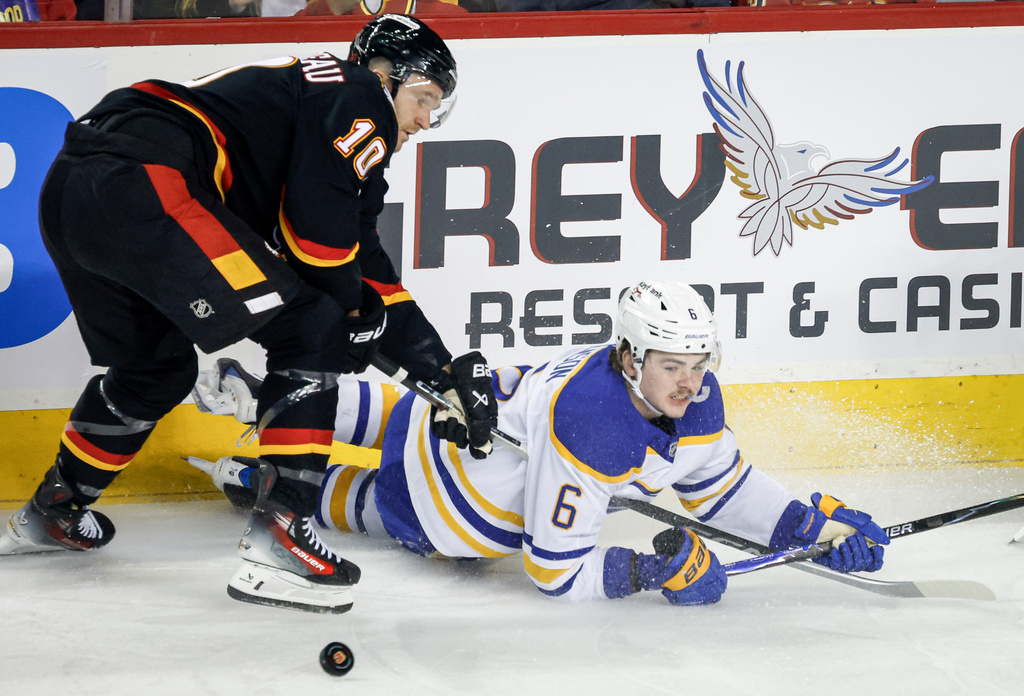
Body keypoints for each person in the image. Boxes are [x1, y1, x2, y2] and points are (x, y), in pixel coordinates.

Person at [0, 14, 500, 616]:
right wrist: (350, 314)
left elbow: (363, 258)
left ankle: (53, 511)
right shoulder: (357, 95)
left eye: (436, 110)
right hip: (148, 179)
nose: (424, 121)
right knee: (312, 325)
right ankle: (281, 535)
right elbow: (315, 241)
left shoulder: (324, 108)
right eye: (422, 100)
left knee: (153, 369)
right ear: (383, 74)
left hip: (77, 191)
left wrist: (442, 372)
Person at [191, 280, 889, 606]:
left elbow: (721, 484)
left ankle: (253, 400)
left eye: (697, 363)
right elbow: (554, 574)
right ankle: (247, 473)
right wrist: (651, 575)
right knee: (371, 500)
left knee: (377, 410)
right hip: (445, 511)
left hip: (455, 413)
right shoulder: (596, 426)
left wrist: (806, 526)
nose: (688, 381)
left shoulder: (684, 390)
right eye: (672, 365)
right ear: (631, 357)